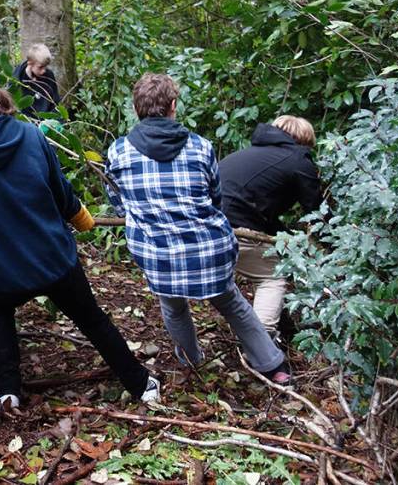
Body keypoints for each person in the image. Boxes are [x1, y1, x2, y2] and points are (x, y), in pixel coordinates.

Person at [0, 60, 160, 412]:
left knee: (0, 314)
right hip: (52, 259)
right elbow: (60, 192)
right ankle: (140, 384)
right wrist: (82, 219)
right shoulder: (29, 134)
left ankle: (8, 392)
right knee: (92, 319)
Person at [105, 73, 290, 384]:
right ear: (173, 106)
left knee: (173, 307)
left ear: (136, 109)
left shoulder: (118, 151)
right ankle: (273, 365)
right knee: (232, 302)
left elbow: (118, 202)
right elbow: (215, 198)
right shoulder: (200, 147)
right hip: (208, 249)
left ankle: (191, 361)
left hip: (159, 254)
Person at [220, 116, 321, 337]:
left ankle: (285, 328)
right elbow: (317, 213)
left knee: (267, 262)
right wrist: (332, 245)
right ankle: (261, 342)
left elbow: (257, 208)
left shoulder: (245, 155)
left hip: (205, 228)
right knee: (272, 277)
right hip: (237, 230)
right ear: (303, 141)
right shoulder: (298, 159)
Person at [14, 44, 61, 117]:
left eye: (45, 67)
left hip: (45, 120)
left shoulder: (49, 76)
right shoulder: (18, 77)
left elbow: (55, 102)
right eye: (40, 67)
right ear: (30, 63)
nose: (44, 71)